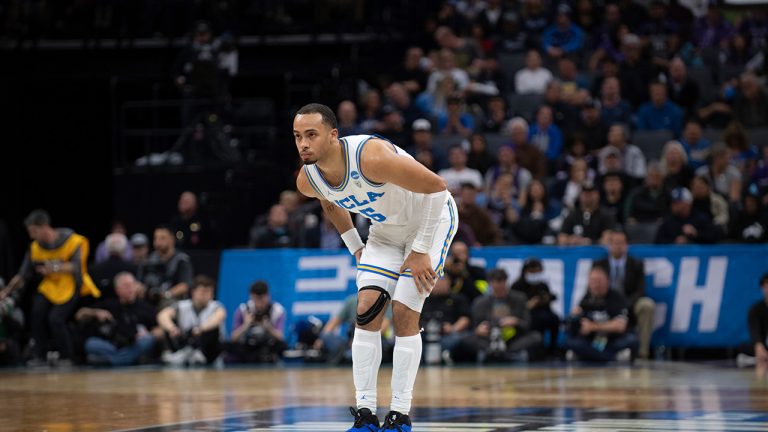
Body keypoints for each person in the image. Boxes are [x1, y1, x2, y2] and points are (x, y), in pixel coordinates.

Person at [293, 103, 458, 432]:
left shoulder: (371, 158)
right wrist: (356, 246)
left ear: (333, 135)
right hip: (385, 231)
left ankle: (400, 415)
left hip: (430, 221)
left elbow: (438, 187)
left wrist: (422, 250)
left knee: (404, 312)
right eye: (298, 137)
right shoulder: (307, 180)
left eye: (312, 135)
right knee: (366, 309)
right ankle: (366, 415)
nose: (304, 144)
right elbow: (329, 201)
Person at [0, 210, 100, 367]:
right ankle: (39, 355)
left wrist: (54, 267)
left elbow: (76, 266)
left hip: (70, 284)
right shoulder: (35, 247)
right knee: (37, 312)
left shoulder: (72, 241)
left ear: (45, 227)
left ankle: (67, 356)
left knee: (55, 318)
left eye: (34, 231)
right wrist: (6, 292)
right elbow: (22, 275)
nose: (32, 236)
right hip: (50, 285)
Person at [457, 268, 542, 363]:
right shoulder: (480, 302)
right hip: (489, 339)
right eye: (496, 282)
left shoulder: (519, 298)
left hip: (513, 339)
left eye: (502, 282)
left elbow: (527, 324)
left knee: (536, 337)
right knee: (465, 339)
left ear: (506, 282)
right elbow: (475, 326)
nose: (499, 285)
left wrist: (516, 321)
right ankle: (501, 354)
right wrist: (478, 330)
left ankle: (501, 354)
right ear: (490, 283)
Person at [593, 230, 656, 360]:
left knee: (647, 305)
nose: (618, 246)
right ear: (609, 245)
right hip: (606, 304)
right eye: (615, 243)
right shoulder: (599, 264)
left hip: (629, 303)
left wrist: (624, 305)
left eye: (621, 243)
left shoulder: (637, 264)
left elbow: (640, 291)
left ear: (627, 245)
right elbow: (593, 288)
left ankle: (642, 352)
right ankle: (596, 351)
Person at [76, 272, 159, 366]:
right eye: (125, 286)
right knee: (91, 343)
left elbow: (160, 328)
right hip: (112, 345)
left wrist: (148, 334)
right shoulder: (110, 304)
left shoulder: (145, 307)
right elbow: (80, 314)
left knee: (147, 340)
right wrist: (96, 313)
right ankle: (126, 360)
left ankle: (113, 361)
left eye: (132, 285)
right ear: (117, 290)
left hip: (135, 345)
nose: (130, 288)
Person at [564, 266, 637, 362]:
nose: (595, 285)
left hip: (612, 339)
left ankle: (590, 356)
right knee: (570, 341)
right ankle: (612, 357)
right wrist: (575, 318)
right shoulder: (586, 298)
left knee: (631, 340)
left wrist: (592, 327)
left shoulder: (616, 298)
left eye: (598, 281)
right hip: (593, 341)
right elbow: (577, 325)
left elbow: (620, 326)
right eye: (592, 281)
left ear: (607, 281)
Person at [157, 275, 226, 366]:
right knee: (167, 327)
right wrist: (172, 328)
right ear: (194, 292)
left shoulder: (216, 306)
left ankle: (199, 354)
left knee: (211, 330)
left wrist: (201, 329)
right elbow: (162, 315)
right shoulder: (182, 306)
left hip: (208, 348)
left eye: (209, 292)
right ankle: (180, 353)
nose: (206, 295)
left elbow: (218, 318)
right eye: (203, 292)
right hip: (186, 342)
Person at [315, 293, 394, 365]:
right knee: (326, 336)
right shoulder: (351, 301)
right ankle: (345, 355)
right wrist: (322, 339)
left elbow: (383, 328)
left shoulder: (385, 302)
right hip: (351, 342)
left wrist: (360, 339)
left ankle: (348, 356)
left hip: (375, 341)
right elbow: (333, 323)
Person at [226, 281, 287, 363]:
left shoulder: (278, 311)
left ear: (268, 296)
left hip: (267, 346)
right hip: (248, 345)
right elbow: (233, 338)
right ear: (251, 297)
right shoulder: (243, 310)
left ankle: (268, 358)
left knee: (282, 346)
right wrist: (245, 325)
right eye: (256, 299)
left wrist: (268, 328)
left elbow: (280, 337)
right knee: (228, 347)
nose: (259, 304)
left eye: (262, 299)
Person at [510, 258, 560, 356]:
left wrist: (546, 300)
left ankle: (552, 350)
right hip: (526, 315)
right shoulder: (517, 286)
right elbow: (514, 307)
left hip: (543, 312)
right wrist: (529, 304)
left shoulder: (542, 284)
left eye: (537, 271)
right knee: (539, 319)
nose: (535, 274)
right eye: (532, 271)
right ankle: (538, 350)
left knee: (554, 319)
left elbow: (549, 298)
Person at [138, 225, 195, 307]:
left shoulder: (181, 260)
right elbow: (140, 282)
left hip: (171, 300)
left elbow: (184, 286)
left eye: (162, 238)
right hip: (150, 299)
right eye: (156, 238)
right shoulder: (149, 260)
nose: (158, 242)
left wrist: (165, 295)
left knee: (167, 304)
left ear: (172, 239)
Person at [738, 273, 768, 368]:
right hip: (763, 345)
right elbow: (754, 330)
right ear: (762, 287)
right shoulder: (755, 310)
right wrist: (758, 345)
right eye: (766, 285)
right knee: (744, 347)